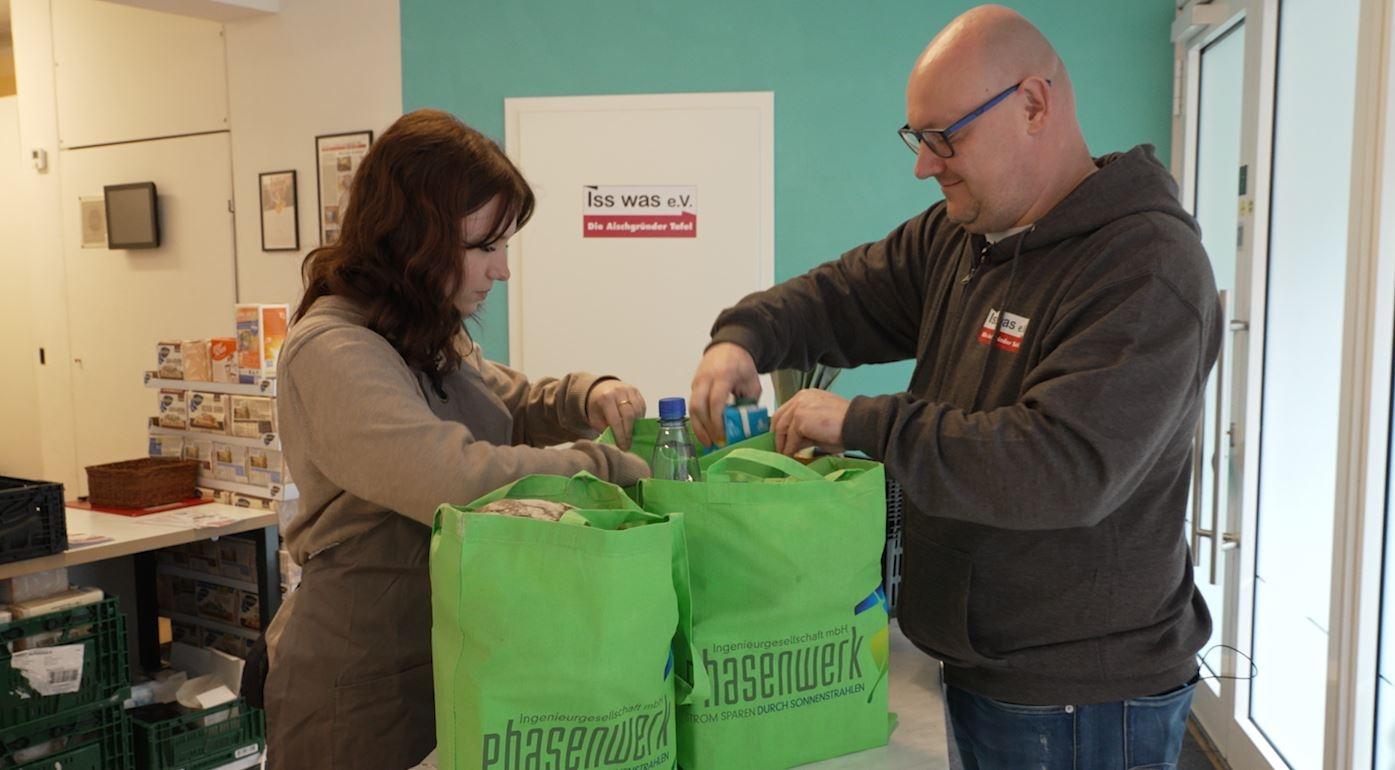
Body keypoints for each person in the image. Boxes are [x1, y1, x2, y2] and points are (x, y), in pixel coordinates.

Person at [689, 6, 1220, 768]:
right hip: (980, 661)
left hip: (1080, 695)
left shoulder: (1144, 268)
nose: (924, 164)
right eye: (918, 138)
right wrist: (740, 338)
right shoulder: (963, 236)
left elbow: (1059, 467)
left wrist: (863, 425)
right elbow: (842, 296)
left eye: (946, 137)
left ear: (1033, 104)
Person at [263, 109, 651, 769]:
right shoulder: (332, 348)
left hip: (444, 648)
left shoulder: (421, 326)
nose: (501, 271)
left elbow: (507, 406)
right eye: (485, 247)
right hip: (362, 680)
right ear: (415, 235)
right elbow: (453, 476)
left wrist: (587, 394)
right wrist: (603, 469)